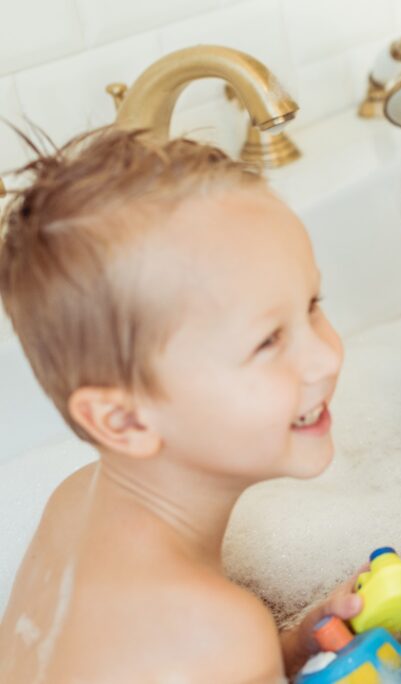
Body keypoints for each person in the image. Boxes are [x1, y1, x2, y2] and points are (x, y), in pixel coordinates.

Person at [0, 128, 355, 681]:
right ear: (124, 419)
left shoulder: (72, 503)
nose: (326, 358)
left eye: (312, 305)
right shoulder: (215, 633)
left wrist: (288, 654)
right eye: (267, 341)